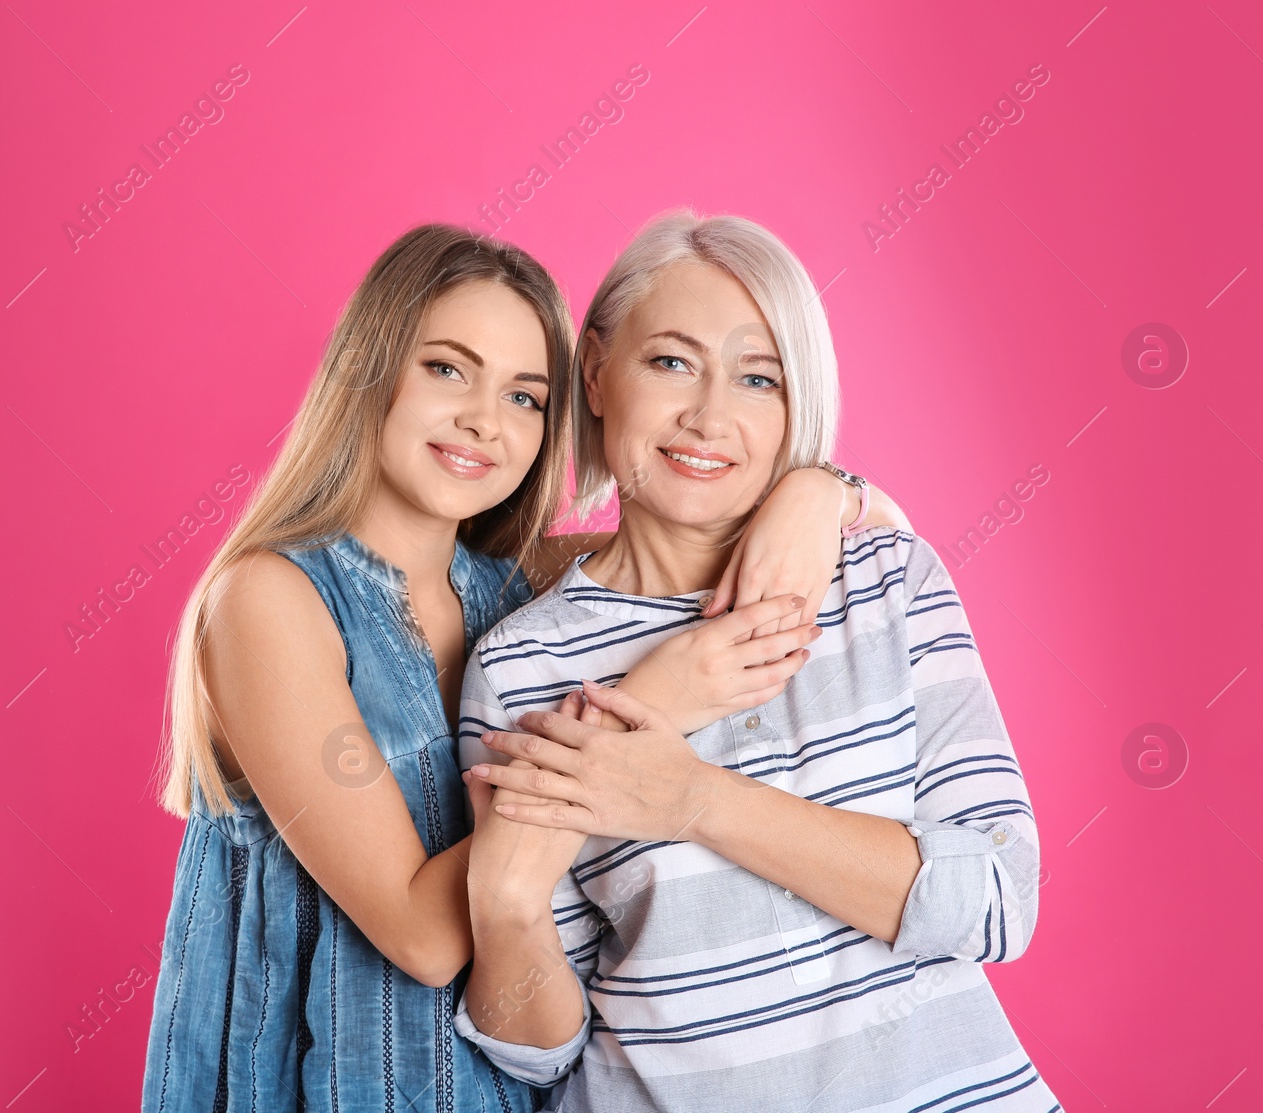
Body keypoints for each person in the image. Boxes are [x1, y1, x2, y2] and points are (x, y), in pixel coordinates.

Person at [140, 223, 908, 1112]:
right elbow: (424, 936)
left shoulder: (514, 587)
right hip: (324, 1081)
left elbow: (759, 536)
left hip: (500, 1087)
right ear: (368, 369)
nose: (482, 418)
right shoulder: (268, 600)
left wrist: (821, 491)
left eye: (524, 395)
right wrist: (658, 692)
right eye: (446, 369)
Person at [458, 210, 1061, 1112]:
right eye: (671, 362)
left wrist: (696, 801)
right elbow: (541, 1053)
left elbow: (995, 899)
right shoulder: (520, 665)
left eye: (758, 378)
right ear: (594, 371)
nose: (710, 416)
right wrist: (503, 908)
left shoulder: (886, 579)